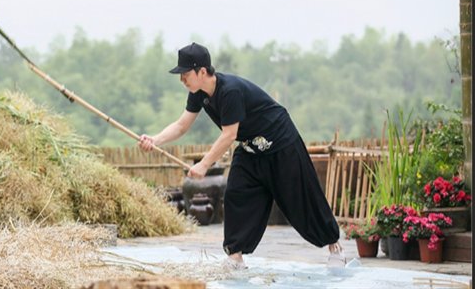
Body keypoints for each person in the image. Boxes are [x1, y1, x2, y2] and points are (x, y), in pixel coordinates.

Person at [138, 42, 344, 269]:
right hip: (250, 148)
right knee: (236, 193)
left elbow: (229, 135)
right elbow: (181, 125)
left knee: (300, 198)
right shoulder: (198, 94)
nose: (182, 80)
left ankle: (334, 245)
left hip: (281, 143)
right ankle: (235, 257)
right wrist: (155, 139)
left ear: (202, 72)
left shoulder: (230, 91)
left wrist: (204, 165)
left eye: (185, 74)